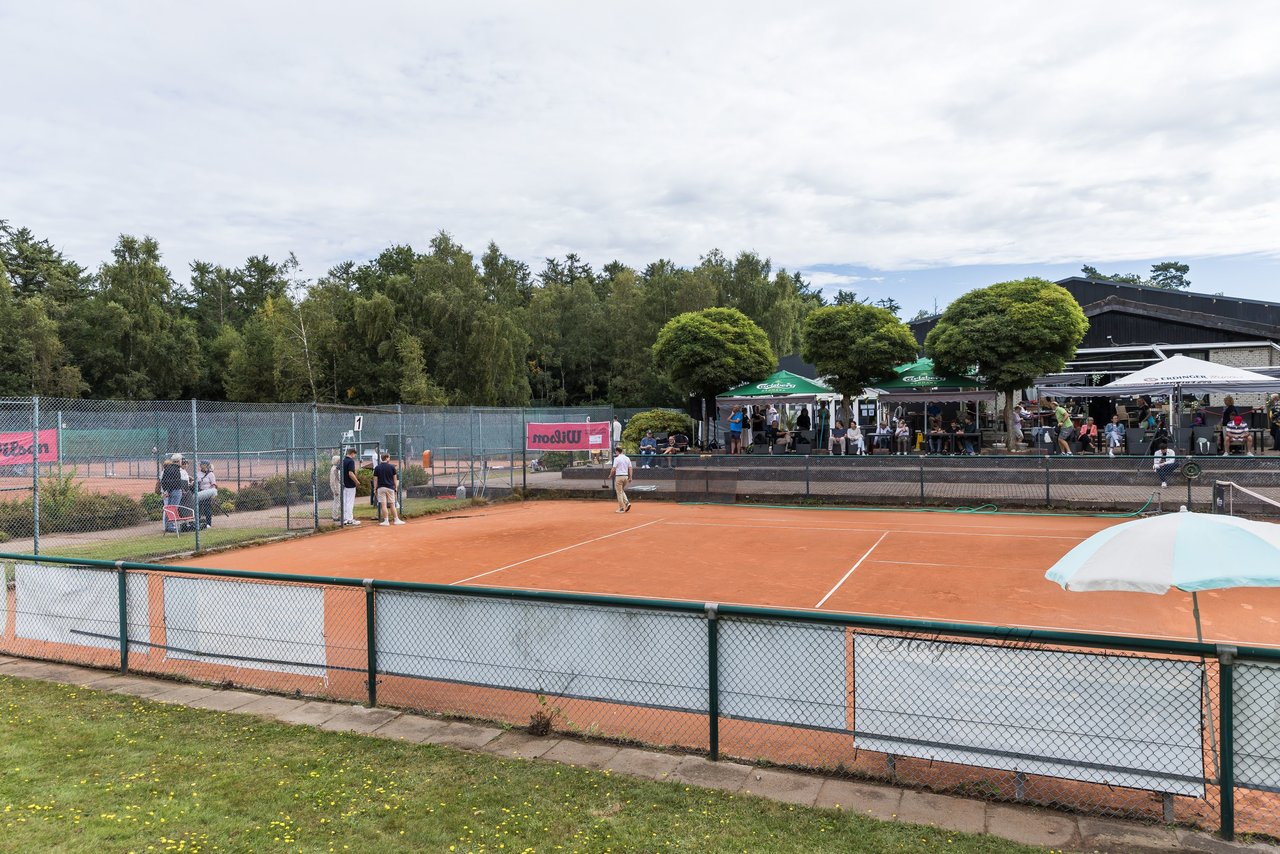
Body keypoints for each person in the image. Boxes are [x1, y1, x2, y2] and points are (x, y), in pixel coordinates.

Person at [372, 452, 406, 525]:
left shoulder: (377, 468)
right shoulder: (392, 467)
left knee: (383, 505)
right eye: (389, 457)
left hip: (381, 488)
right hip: (390, 487)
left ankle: (386, 521)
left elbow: (375, 479)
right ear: (386, 458)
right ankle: (396, 520)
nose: (389, 459)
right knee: (392, 505)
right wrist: (396, 487)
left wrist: (375, 488)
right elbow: (395, 478)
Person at [157, 454, 186, 532]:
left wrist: (167, 491)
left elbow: (163, 481)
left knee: (169, 508)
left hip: (170, 491)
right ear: (179, 461)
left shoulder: (167, 468)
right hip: (176, 491)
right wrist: (170, 490)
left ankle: (167, 525)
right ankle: (170, 526)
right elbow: (175, 482)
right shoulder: (176, 469)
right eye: (181, 460)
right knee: (173, 508)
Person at [604, 444, 632, 512]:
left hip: (619, 477)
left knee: (619, 492)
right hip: (625, 476)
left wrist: (610, 475)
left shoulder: (617, 459)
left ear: (617, 451)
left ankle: (621, 508)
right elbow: (630, 468)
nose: (615, 453)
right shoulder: (627, 458)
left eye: (615, 452)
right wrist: (630, 477)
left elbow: (613, 469)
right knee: (621, 491)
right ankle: (627, 503)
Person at [341, 448, 360, 526]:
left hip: (344, 484)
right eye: (354, 454)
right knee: (350, 502)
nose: (354, 456)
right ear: (352, 453)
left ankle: (345, 519)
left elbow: (337, 470)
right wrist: (357, 481)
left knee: (345, 501)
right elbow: (350, 473)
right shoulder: (350, 461)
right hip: (350, 484)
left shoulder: (343, 460)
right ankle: (349, 519)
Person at [196, 461, 218, 528]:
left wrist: (212, 494)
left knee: (207, 508)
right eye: (202, 464)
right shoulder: (198, 474)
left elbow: (213, 484)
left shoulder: (210, 474)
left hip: (208, 493)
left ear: (207, 466)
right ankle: (198, 523)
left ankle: (208, 523)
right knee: (198, 508)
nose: (202, 466)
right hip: (200, 493)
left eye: (204, 464)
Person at [328, 454, 342, 522]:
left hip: (338, 487)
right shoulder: (334, 469)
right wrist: (335, 490)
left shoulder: (336, 468)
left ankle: (336, 515)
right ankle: (335, 516)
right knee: (336, 502)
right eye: (339, 460)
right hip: (337, 488)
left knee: (338, 502)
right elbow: (332, 481)